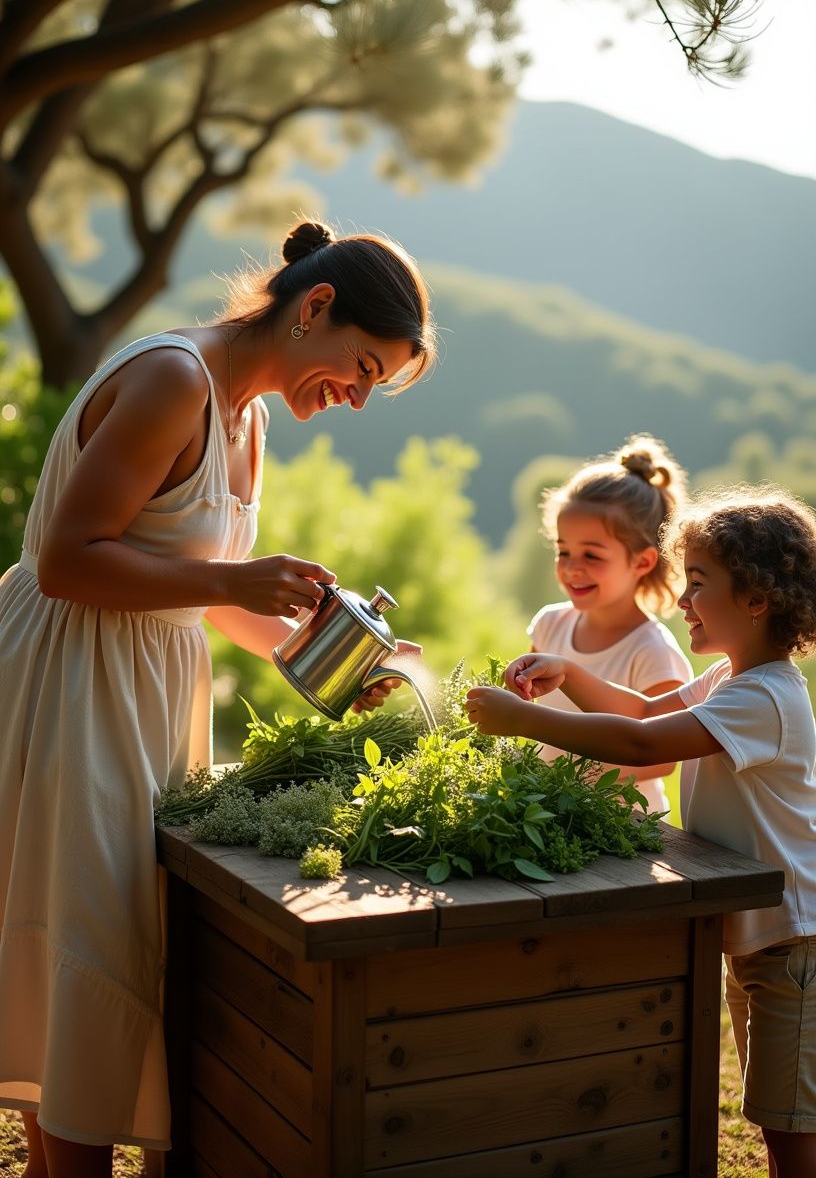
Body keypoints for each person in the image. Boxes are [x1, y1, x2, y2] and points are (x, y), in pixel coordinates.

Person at [0, 218, 436, 1178]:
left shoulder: (250, 414)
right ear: (314, 308)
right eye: (363, 367)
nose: (360, 398)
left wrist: (326, 662)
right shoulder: (173, 381)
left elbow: (209, 586)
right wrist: (234, 586)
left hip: (144, 683)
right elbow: (69, 562)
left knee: (112, 937)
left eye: (378, 384)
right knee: (90, 939)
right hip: (70, 679)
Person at [466, 487, 816, 1178]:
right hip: (764, 938)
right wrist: (569, 675)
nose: (682, 601)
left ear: (756, 600)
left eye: (699, 585)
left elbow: (637, 743)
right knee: (776, 1114)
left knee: (792, 1128)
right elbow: (640, 707)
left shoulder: (764, 696)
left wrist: (527, 719)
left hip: (795, 941)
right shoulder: (728, 678)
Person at [524, 434, 691, 812]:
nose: (572, 567)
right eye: (563, 550)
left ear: (642, 562)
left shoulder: (653, 652)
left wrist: (567, 781)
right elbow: (529, 710)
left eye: (592, 555)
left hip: (621, 828)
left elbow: (663, 758)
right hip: (545, 812)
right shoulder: (549, 625)